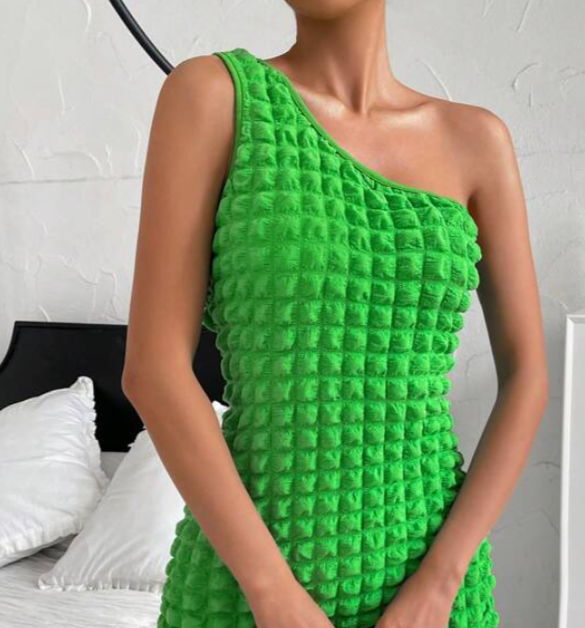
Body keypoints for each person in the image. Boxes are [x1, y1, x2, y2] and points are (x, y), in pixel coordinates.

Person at [122, 1, 549, 627]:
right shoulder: (214, 98)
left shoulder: (476, 140)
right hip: (244, 593)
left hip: (432, 591)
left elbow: (527, 376)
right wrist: (272, 592)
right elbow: (154, 371)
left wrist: (440, 584)